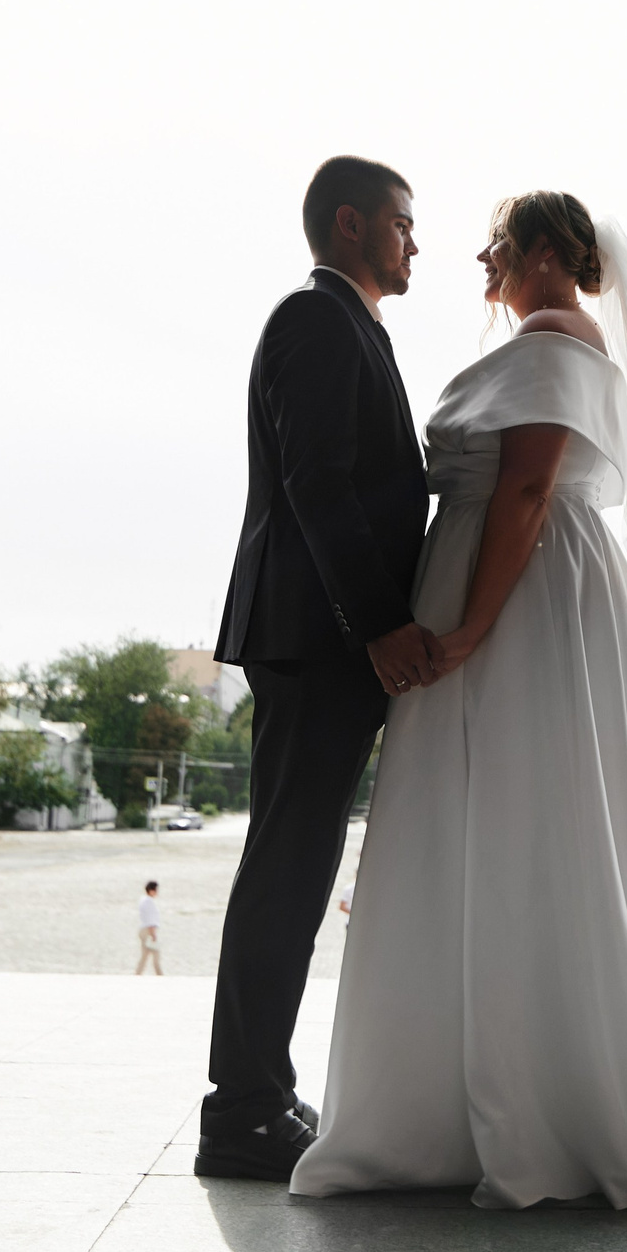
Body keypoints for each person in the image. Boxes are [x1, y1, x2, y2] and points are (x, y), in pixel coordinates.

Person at [289, 191, 627, 1217]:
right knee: (507, 822)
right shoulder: (554, 335)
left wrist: (468, 626)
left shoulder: (559, 336)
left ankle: (524, 1104)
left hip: (522, 596)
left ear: (552, 251)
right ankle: (474, 1095)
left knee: (512, 817)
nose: (481, 257)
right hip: (515, 583)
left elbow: (524, 490)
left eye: (499, 243)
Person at [198, 156, 443, 1181]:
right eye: (401, 222)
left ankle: (260, 1091)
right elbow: (316, 482)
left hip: (323, 634)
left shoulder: (354, 325)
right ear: (350, 226)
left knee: (297, 869)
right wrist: (381, 621)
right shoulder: (313, 319)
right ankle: (243, 1107)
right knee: (287, 869)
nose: (414, 242)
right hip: (313, 634)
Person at [137, 880, 163, 976]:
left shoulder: (143, 900)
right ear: (151, 890)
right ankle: (160, 975)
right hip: (148, 930)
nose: (157, 892)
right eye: (156, 890)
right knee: (156, 954)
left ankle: (137, 974)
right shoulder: (149, 902)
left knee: (145, 956)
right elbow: (150, 918)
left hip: (144, 930)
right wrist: (153, 933)